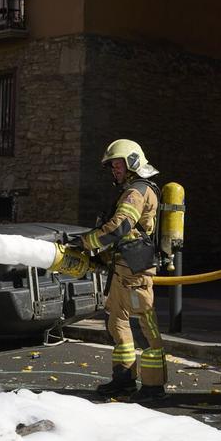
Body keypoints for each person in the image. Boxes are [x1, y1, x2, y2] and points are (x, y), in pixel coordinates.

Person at [73, 139, 166, 402]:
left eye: (117, 165)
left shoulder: (137, 191)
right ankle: (123, 380)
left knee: (146, 325)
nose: (114, 170)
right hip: (123, 268)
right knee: (117, 322)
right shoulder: (131, 190)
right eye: (112, 166)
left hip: (136, 270)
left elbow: (119, 227)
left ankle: (153, 385)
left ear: (133, 163)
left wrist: (85, 242)